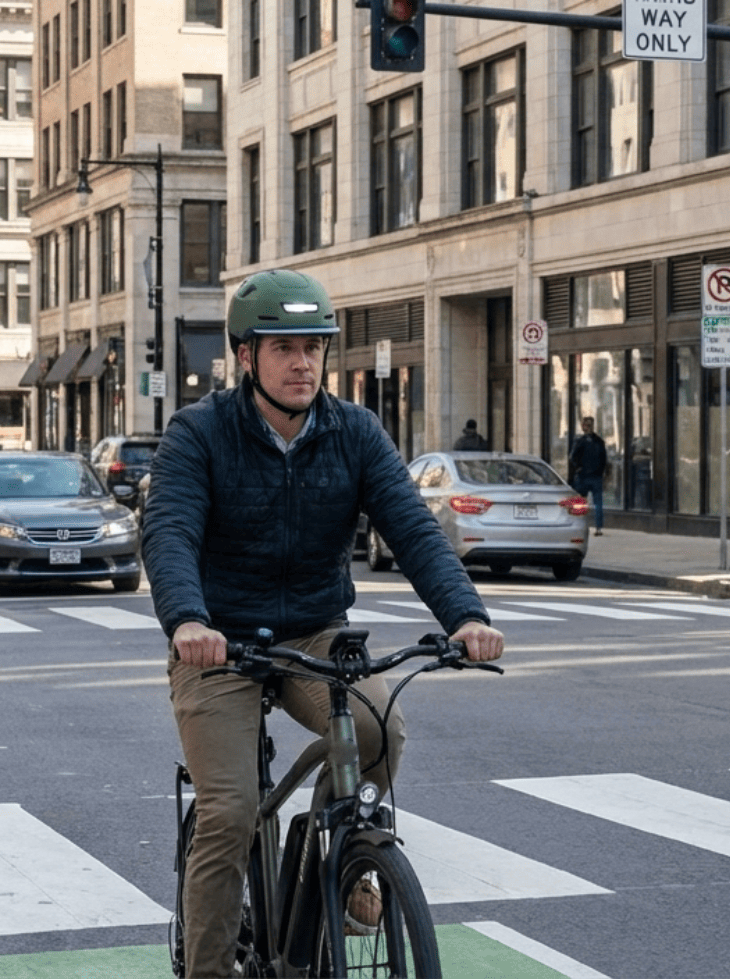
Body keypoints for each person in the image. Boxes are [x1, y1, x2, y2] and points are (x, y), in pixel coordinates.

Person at [142, 269, 504, 979]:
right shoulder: (200, 433)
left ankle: (332, 863)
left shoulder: (356, 432)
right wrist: (187, 618)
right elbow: (171, 531)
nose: (303, 362)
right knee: (232, 807)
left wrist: (466, 617)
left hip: (314, 634)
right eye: (284, 348)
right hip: (219, 640)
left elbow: (415, 530)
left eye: (313, 346)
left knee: (377, 730)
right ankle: (208, 970)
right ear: (246, 357)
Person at [569, 415, 608, 536]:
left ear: (584, 427)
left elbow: (572, 457)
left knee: (580, 501)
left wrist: (578, 467)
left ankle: (578, 524)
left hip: (583, 475)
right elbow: (604, 459)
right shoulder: (599, 441)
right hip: (596, 476)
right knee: (598, 502)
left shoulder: (580, 441)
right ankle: (598, 528)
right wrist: (601, 472)